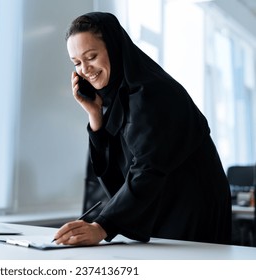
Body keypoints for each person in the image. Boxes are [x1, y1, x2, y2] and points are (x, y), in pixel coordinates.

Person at [53, 12, 232, 246]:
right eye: (77, 63)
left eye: (91, 56)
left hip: (191, 213)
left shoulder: (151, 93)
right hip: (165, 212)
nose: (85, 69)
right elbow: (115, 179)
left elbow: (147, 168)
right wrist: (95, 115)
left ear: (115, 48)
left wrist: (103, 225)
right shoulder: (119, 98)